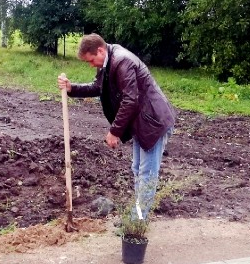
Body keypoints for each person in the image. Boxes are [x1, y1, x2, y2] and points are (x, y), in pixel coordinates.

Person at [58, 33, 176, 217]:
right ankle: (138, 216)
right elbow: (98, 87)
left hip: (153, 123)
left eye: (91, 60)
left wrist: (114, 131)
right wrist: (72, 88)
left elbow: (130, 100)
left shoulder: (122, 61)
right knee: (138, 169)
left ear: (100, 50)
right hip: (141, 122)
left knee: (147, 174)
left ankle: (138, 220)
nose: (91, 65)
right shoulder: (108, 60)